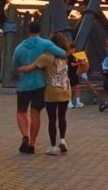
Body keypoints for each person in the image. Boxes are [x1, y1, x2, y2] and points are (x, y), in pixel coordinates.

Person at [12, 20, 67, 154]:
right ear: (39, 30)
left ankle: (25, 136)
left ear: (28, 30)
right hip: (40, 84)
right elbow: (63, 53)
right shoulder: (46, 44)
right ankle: (32, 144)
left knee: (21, 112)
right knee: (35, 112)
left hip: (23, 85)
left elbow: (14, 66)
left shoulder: (19, 47)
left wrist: (21, 69)